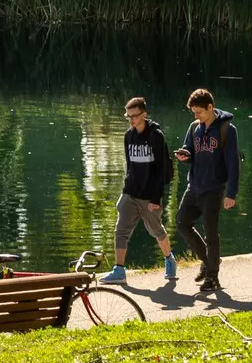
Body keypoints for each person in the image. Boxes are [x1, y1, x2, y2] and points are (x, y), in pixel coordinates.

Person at [99, 96, 177, 285]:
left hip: (149, 195)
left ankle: (169, 259)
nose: (132, 120)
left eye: (135, 116)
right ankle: (119, 270)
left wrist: (156, 198)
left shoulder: (155, 136)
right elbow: (130, 166)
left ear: (144, 114)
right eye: (129, 116)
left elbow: (161, 170)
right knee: (121, 230)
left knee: (156, 230)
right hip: (131, 192)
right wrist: (125, 191)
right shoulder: (129, 135)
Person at [172, 88, 240, 296]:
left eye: (199, 112)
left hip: (214, 188)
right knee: (182, 223)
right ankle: (207, 261)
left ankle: (212, 276)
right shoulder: (195, 127)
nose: (196, 116)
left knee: (211, 233)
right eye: (194, 112)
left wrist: (231, 193)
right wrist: (185, 155)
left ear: (210, 107)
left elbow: (233, 163)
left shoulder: (227, 129)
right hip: (194, 185)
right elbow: (190, 151)